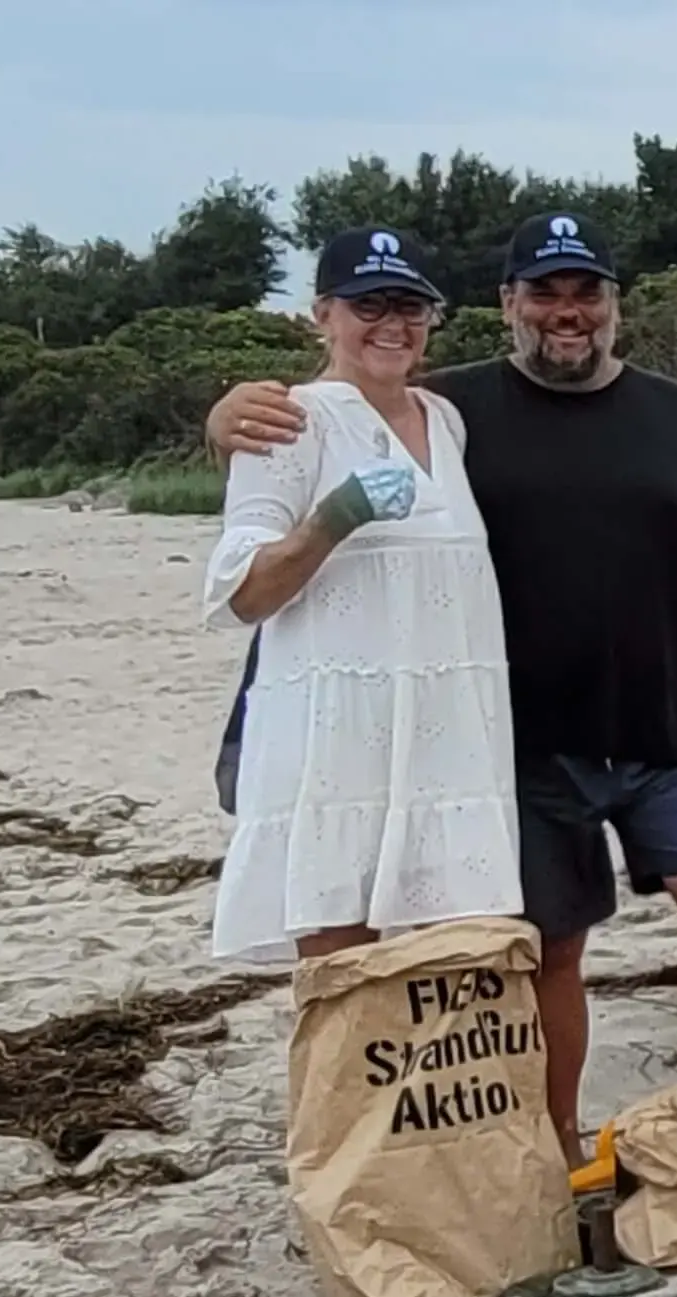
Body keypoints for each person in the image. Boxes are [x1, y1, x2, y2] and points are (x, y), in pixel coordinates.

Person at [203, 213, 677, 1162]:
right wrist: (226, 418)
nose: (567, 313)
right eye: (545, 293)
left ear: (616, 305)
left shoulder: (669, 414)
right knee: (552, 948)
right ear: (507, 306)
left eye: (587, 293)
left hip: (669, 725)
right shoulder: (454, 408)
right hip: (521, 745)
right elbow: (329, 420)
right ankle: (559, 1152)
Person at [201, 227, 523, 970]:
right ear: (323, 314)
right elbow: (241, 594)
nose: (392, 323)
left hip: (451, 739)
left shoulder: (446, 419)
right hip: (335, 742)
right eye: (368, 303)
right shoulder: (289, 420)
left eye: (410, 305)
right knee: (344, 973)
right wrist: (331, 520)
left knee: (462, 962)